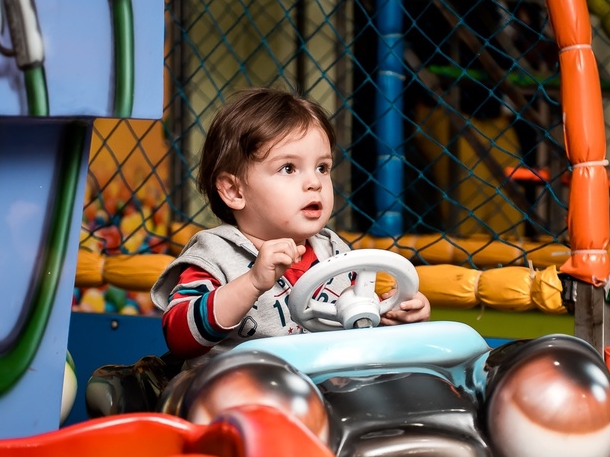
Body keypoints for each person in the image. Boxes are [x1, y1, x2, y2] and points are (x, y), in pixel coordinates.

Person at [151, 87, 429, 364]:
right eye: (288, 168)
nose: (315, 182)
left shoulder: (335, 253)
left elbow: (358, 333)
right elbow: (178, 337)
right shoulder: (215, 254)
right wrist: (251, 283)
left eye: (322, 167)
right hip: (235, 391)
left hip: (321, 389)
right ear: (235, 191)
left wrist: (392, 315)